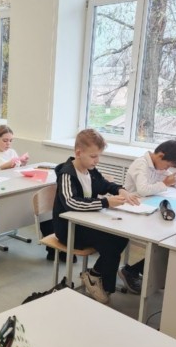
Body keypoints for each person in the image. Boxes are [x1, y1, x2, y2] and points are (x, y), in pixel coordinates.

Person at [52, 129, 139, 304]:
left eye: (98, 156)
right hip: (69, 229)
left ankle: (95, 274)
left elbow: (104, 184)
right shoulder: (67, 174)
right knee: (110, 244)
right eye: (93, 156)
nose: (97, 160)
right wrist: (106, 202)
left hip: (86, 224)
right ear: (78, 153)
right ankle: (101, 283)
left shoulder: (90, 170)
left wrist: (120, 190)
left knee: (121, 237)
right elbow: (71, 202)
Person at [119, 139, 176, 294]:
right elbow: (143, 190)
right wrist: (165, 184)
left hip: (147, 207)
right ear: (161, 155)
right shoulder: (141, 164)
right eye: (168, 165)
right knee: (163, 240)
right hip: (131, 209)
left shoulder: (159, 165)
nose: (167, 169)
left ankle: (146, 273)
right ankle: (135, 272)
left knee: (168, 235)